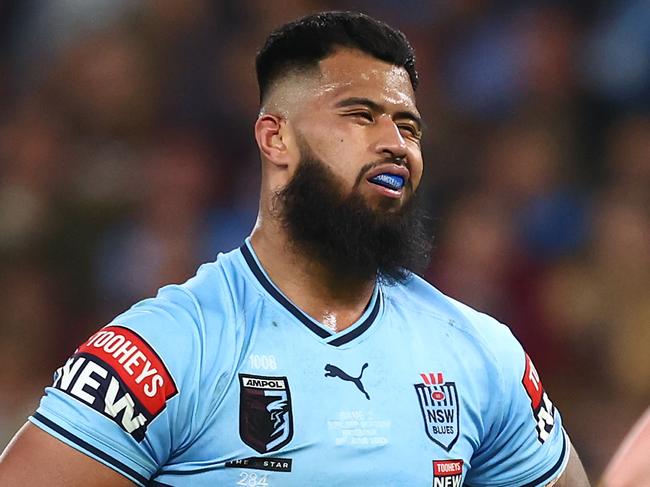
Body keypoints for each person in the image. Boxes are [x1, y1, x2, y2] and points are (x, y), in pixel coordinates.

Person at [0, 11, 590, 486]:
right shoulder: (171, 347)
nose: (395, 144)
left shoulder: (480, 352)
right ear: (275, 137)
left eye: (409, 126)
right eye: (361, 115)